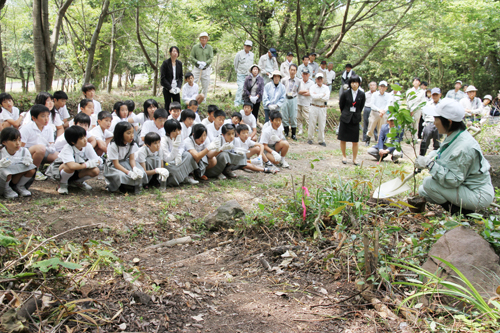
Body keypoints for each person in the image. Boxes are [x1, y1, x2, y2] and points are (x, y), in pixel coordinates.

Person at [416, 98, 494, 215]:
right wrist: (432, 155)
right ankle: (460, 207)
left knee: (429, 183)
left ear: (449, 121)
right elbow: (444, 152)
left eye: (436, 119)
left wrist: (430, 164)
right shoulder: (455, 135)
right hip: (465, 186)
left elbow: (453, 181)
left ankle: (461, 213)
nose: (434, 122)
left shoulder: (464, 147)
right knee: (423, 191)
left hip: (477, 194)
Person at [46, 125, 101, 194]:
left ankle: (77, 182)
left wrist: (95, 162)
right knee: (68, 167)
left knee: (95, 170)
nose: (85, 139)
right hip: (60, 172)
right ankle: (63, 183)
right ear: (73, 142)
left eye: (85, 136)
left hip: (78, 169)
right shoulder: (67, 148)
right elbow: (72, 166)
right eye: (81, 138)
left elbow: (97, 160)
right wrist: (88, 164)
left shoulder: (87, 146)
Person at [104, 121, 146, 193]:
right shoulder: (113, 145)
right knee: (121, 175)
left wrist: (134, 168)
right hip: (114, 166)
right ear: (120, 134)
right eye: (128, 133)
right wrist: (128, 172)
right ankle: (121, 187)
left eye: (132, 133)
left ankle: (135, 186)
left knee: (141, 172)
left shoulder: (131, 143)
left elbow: (132, 159)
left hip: (126, 162)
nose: (132, 135)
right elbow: (116, 164)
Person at [20, 105, 58, 181]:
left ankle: (47, 169)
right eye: (43, 116)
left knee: (59, 156)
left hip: (43, 151)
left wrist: (50, 149)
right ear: (34, 118)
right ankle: (34, 170)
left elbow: (51, 144)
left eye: (47, 116)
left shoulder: (49, 128)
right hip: (28, 152)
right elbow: (21, 147)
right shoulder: (26, 128)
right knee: (40, 148)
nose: (46, 119)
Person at [0, 127, 36, 198]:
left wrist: (28, 160)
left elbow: (29, 162)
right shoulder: (1, 152)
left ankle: (19, 186)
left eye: (19, 140)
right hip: (4, 177)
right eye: (13, 140)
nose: (18, 143)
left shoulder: (24, 151)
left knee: (31, 169)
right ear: (4, 142)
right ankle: (6, 189)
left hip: (16, 176)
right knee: (5, 172)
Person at [161, 119, 199, 186]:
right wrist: (175, 148)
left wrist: (179, 154)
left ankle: (186, 176)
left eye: (179, 130)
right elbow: (167, 158)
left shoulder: (179, 136)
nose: (178, 133)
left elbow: (182, 146)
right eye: (175, 131)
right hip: (169, 162)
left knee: (188, 155)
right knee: (170, 166)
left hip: (178, 158)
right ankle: (180, 179)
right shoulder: (164, 140)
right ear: (168, 132)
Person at [338, 74, 365, 165]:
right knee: (343, 139)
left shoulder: (362, 94)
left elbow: (361, 107)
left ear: (359, 83)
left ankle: (354, 159)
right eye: (353, 82)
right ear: (350, 83)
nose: (354, 84)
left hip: (355, 119)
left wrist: (355, 113)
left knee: (355, 141)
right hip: (345, 118)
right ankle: (344, 156)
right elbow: (341, 105)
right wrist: (346, 113)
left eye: (356, 82)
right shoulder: (345, 93)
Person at [190, 32, 214, 100]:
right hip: (197, 68)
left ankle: (203, 100)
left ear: (207, 39)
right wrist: (197, 62)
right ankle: (193, 99)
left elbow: (211, 58)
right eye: (202, 38)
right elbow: (192, 57)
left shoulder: (209, 48)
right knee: (193, 83)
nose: (204, 39)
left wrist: (205, 63)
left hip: (206, 69)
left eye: (205, 38)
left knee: (205, 85)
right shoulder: (195, 47)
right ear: (200, 39)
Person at [308, 73, 330, 146]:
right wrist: (322, 95)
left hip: (322, 107)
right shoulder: (312, 87)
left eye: (321, 78)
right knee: (312, 123)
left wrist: (318, 96)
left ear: (323, 79)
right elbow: (313, 97)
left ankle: (321, 140)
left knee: (322, 124)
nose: (319, 80)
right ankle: (310, 138)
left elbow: (326, 98)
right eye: (318, 78)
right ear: (316, 79)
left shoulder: (326, 88)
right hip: (314, 106)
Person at [419, 88, 442, 157]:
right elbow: (424, 115)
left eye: (436, 95)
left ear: (440, 95)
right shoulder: (427, 104)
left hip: (439, 124)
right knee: (425, 138)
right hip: (429, 122)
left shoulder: (443, 104)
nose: (435, 96)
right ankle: (421, 156)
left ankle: (436, 157)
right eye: (433, 95)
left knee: (438, 141)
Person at [160, 46, 183, 111]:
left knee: (177, 104)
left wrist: (179, 87)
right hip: (168, 88)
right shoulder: (165, 63)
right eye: (173, 51)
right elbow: (163, 78)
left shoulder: (179, 63)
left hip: (176, 87)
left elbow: (181, 77)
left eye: (176, 51)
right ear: (170, 52)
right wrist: (169, 88)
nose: (175, 53)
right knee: (168, 105)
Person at [280, 64, 299, 140]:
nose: (292, 71)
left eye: (294, 70)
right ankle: (286, 132)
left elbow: (299, 91)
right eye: (291, 70)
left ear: (296, 71)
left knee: (293, 116)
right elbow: (281, 89)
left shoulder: (298, 81)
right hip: (285, 98)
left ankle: (293, 134)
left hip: (293, 98)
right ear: (289, 70)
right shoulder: (284, 80)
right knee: (284, 115)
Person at [234, 40, 254, 107]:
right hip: (241, 74)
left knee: (246, 88)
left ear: (250, 47)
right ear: (244, 46)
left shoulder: (252, 55)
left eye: (249, 46)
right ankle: (237, 102)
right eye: (246, 45)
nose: (247, 47)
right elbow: (235, 64)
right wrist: (238, 71)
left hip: (248, 75)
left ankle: (243, 101)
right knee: (240, 87)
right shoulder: (239, 54)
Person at [297, 69, 313, 136]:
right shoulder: (299, 81)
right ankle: (300, 129)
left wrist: (302, 92)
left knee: (308, 117)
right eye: (304, 74)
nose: (305, 75)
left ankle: (310, 131)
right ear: (302, 74)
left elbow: (311, 93)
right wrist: (306, 91)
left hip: (307, 103)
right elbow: (297, 91)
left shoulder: (312, 83)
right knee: (298, 117)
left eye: (306, 74)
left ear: (309, 75)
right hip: (298, 101)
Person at [363, 82, 378, 146]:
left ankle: (376, 138)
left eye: (373, 85)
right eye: (371, 85)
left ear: (376, 86)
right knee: (366, 123)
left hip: (375, 109)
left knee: (375, 124)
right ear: (369, 87)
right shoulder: (366, 94)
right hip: (367, 108)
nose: (372, 86)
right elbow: (363, 102)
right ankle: (364, 138)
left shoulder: (378, 94)